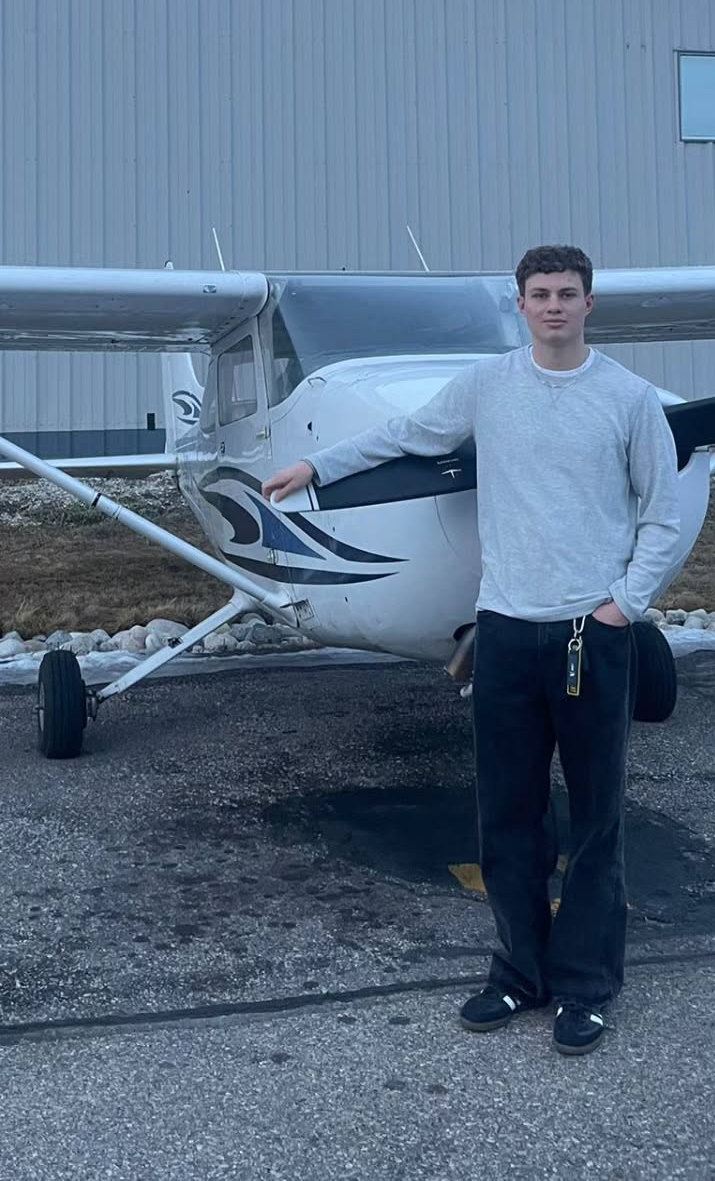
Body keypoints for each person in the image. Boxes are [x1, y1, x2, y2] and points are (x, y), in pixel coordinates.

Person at [262, 244, 680, 1056]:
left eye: (567, 293)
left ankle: (586, 987)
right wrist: (317, 462)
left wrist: (624, 606)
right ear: (520, 307)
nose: (553, 306)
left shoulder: (628, 399)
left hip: (591, 638)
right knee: (509, 815)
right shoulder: (488, 386)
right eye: (539, 295)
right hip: (504, 633)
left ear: (589, 304)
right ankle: (519, 974)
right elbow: (408, 436)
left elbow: (660, 513)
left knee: (597, 823)